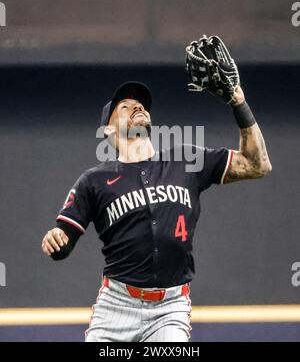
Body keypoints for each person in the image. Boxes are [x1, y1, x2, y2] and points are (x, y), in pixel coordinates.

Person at [41, 80, 272, 342]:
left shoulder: (186, 161)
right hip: (116, 306)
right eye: (125, 107)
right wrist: (56, 239)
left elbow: (257, 165)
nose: (137, 106)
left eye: (140, 104)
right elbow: (64, 240)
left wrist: (238, 104)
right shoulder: (94, 181)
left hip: (170, 308)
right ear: (108, 129)